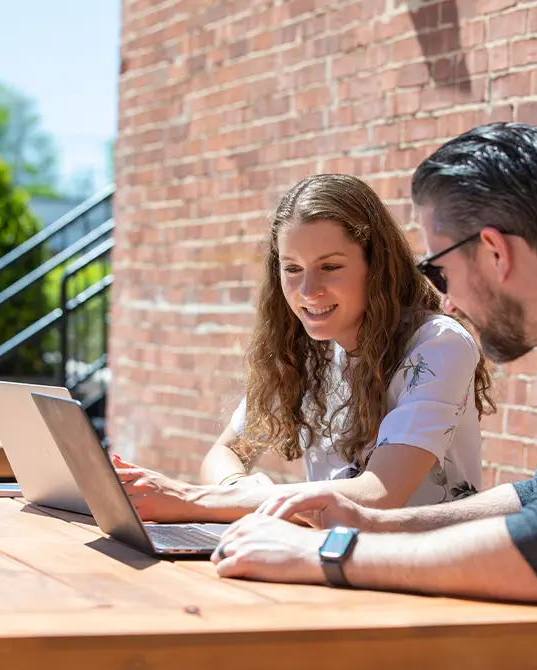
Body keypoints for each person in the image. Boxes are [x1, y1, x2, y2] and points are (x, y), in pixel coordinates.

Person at [210, 123, 537, 670]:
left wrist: (327, 553)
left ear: (493, 251)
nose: (444, 297)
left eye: (438, 269)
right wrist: (374, 522)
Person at [111, 173, 495, 523]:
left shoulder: (438, 345)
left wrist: (194, 501)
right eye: (292, 269)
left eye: (329, 267)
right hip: (324, 563)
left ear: (377, 266)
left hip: (426, 576)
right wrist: (238, 491)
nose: (308, 291)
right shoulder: (309, 350)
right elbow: (224, 454)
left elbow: (377, 494)